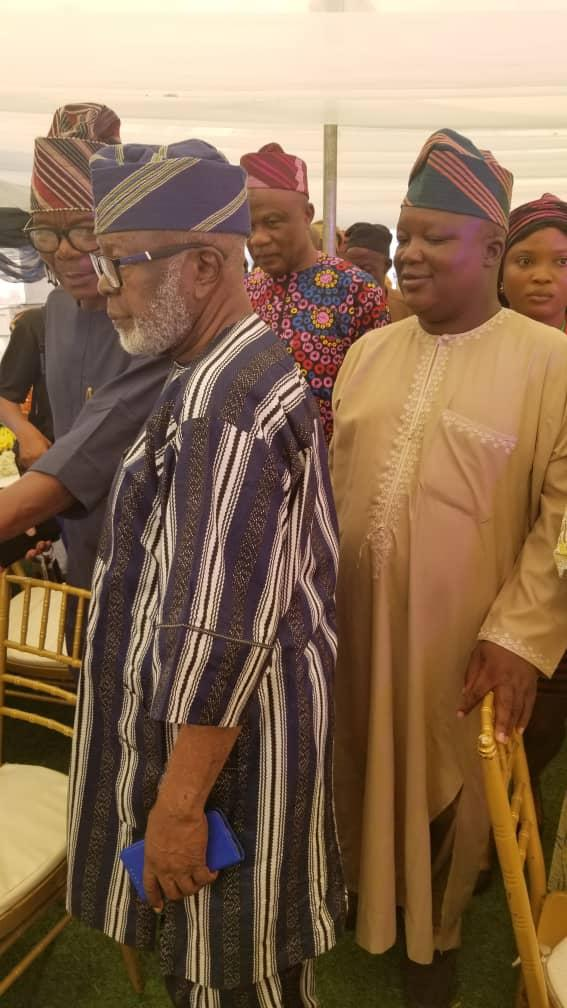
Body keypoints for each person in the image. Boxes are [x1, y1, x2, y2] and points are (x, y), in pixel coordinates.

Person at [67, 139, 345, 1008]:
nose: (104, 289)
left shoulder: (223, 402)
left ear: (201, 266)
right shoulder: (222, 366)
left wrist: (181, 805)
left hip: (232, 765)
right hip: (238, 746)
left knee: (231, 977)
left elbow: (219, 630)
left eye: (118, 263)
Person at [329, 128, 567, 1008]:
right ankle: (364, 905)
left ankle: (434, 946)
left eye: (434, 236)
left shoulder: (551, 364)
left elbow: (564, 524)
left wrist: (518, 637)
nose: (410, 254)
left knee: (450, 799)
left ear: (491, 249)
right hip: (355, 627)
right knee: (356, 767)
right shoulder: (368, 352)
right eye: (403, 235)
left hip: (464, 643)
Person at [0, 103, 170, 589]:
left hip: (146, 555)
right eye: (47, 233)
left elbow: (94, 448)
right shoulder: (55, 310)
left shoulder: (153, 321)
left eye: (85, 230)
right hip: (76, 540)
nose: (64, 250)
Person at [241, 142, 390, 442]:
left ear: (307, 214)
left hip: (329, 465)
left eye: (272, 222)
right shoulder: (243, 292)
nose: (258, 239)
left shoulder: (358, 291)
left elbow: (379, 402)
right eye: (249, 226)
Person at [500, 193, 567, 815]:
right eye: (525, 260)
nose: (543, 276)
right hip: (492, 574)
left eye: (561, 262)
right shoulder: (478, 356)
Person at [0, 306, 53, 469]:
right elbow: (5, 394)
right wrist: (26, 434)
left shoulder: (117, 321)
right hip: (48, 452)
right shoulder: (36, 323)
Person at [342, 222, 412, 322]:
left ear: (386, 265)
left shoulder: (405, 308)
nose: (356, 277)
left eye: (366, 270)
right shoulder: (338, 304)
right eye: (351, 270)